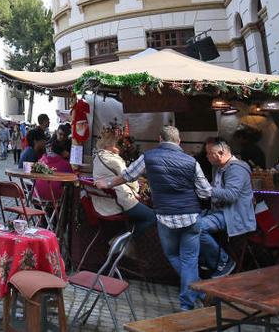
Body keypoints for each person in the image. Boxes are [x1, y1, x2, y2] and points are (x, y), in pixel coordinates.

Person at [96, 125, 212, 311]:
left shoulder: (149, 157)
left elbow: (127, 175)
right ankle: (190, 300)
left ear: (159, 139)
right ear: (179, 141)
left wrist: (107, 182)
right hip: (191, 216)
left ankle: (199, 293)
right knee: (190, 260)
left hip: (166, 216)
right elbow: (206, 193)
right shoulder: (192, 162)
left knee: (173, 255)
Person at [199, 137, 256, 278]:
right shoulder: (217, 168)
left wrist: (208, 190)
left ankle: (224, 262)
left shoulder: (237, 169)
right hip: (219, 213)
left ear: (220, 152)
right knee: (187, 222)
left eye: (208, 153)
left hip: (234, 216)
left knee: (196, 228)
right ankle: (207, 259)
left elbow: (231, 195)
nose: (206, 156)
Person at [91, 130, 156, 239]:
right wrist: (138, 186)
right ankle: (123, 242)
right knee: (152, 217)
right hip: (119, 201)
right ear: (112, 145)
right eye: (118, 143)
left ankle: (123, 238)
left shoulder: (97, 158)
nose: (120, 146)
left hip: (103, 203)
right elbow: (128, 178)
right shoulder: (114, 160)